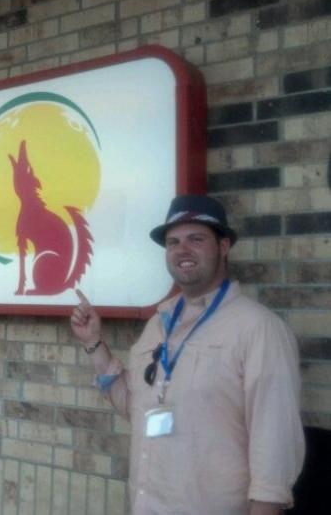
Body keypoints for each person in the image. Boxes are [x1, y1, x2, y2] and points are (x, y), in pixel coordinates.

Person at [71, 194, 305, 515]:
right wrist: (94, 343)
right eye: (173, 242)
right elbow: (136, 407)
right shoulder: (158, 324)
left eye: (196, 239)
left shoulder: (259, 328)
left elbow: (274, 443)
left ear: (223, 246)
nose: (182, 250)